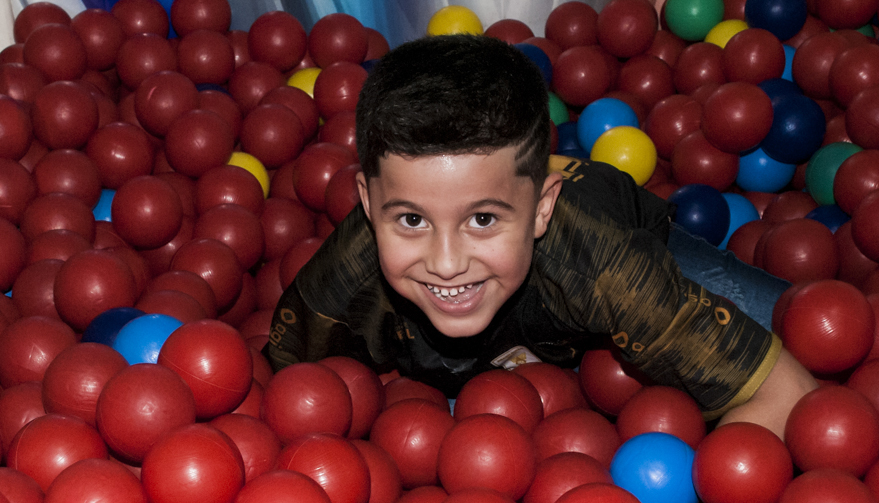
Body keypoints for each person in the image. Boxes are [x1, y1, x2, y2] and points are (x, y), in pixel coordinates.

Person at [266, 33, 817, 439]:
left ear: (540, 209)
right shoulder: (341, 287)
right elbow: (277, 398)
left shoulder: (606, 266)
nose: (448, 261)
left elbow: (789, 392)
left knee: (802, 333)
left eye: (483, 219)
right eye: (411, 220)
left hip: (613, 246)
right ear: (367, 205)